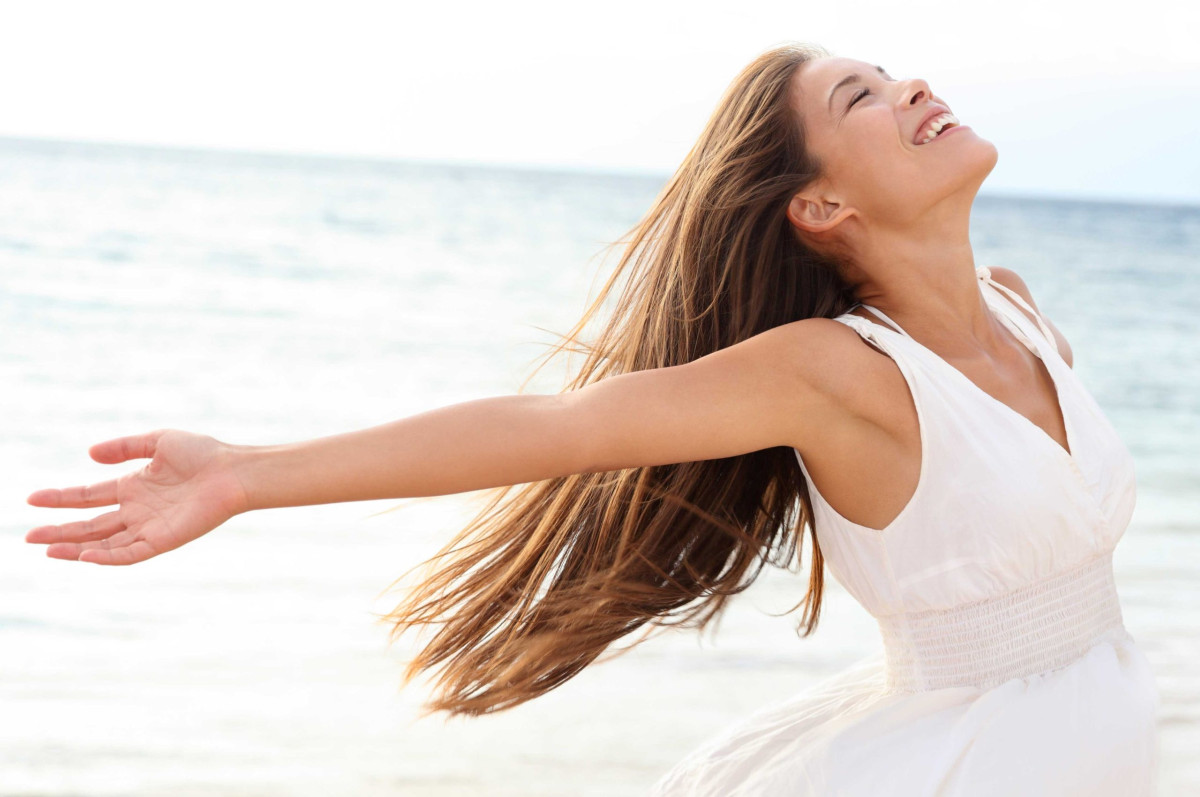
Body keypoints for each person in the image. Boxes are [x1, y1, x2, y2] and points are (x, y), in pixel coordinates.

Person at [23, 42, 1159, 794]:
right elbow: (553, 426)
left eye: (891, 72)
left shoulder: (1022, 310)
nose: (910, 85)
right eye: (861, 96)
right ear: (820, 203)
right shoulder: (836, 373)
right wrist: (245, 470)